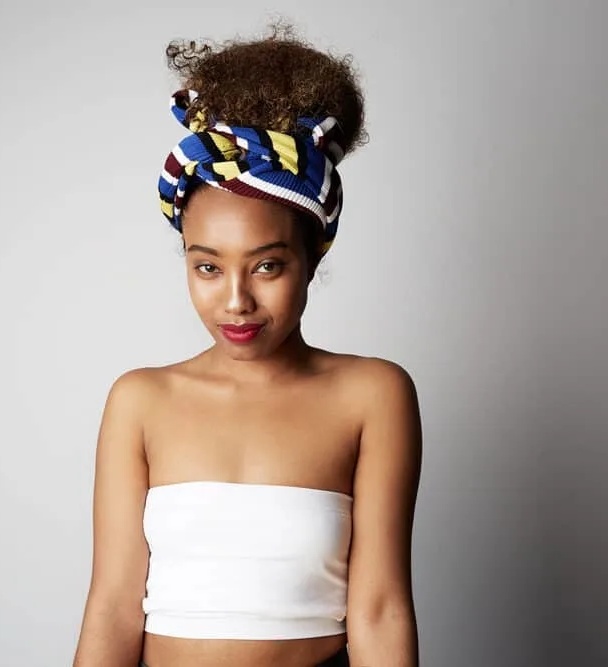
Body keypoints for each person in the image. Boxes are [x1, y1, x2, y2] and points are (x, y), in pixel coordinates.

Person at [73, 25, 423, 667]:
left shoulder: (372, 395)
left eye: (266, 266)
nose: (235, 301)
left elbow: (379, 608)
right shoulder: (140, 401)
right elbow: (113, 606)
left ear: (313, 257)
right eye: (207, 267)